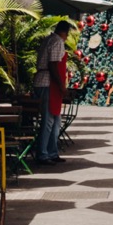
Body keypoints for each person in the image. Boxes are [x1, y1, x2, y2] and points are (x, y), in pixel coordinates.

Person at [34, 20, 72, 164]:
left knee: (56, 120)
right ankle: (43, 153)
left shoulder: (48, 39)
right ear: (65, 32)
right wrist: (61, 84)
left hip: (44, 81)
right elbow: (53, 64)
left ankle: (52, 151)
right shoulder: (57, 41)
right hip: (48, 83)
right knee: (48, 120)